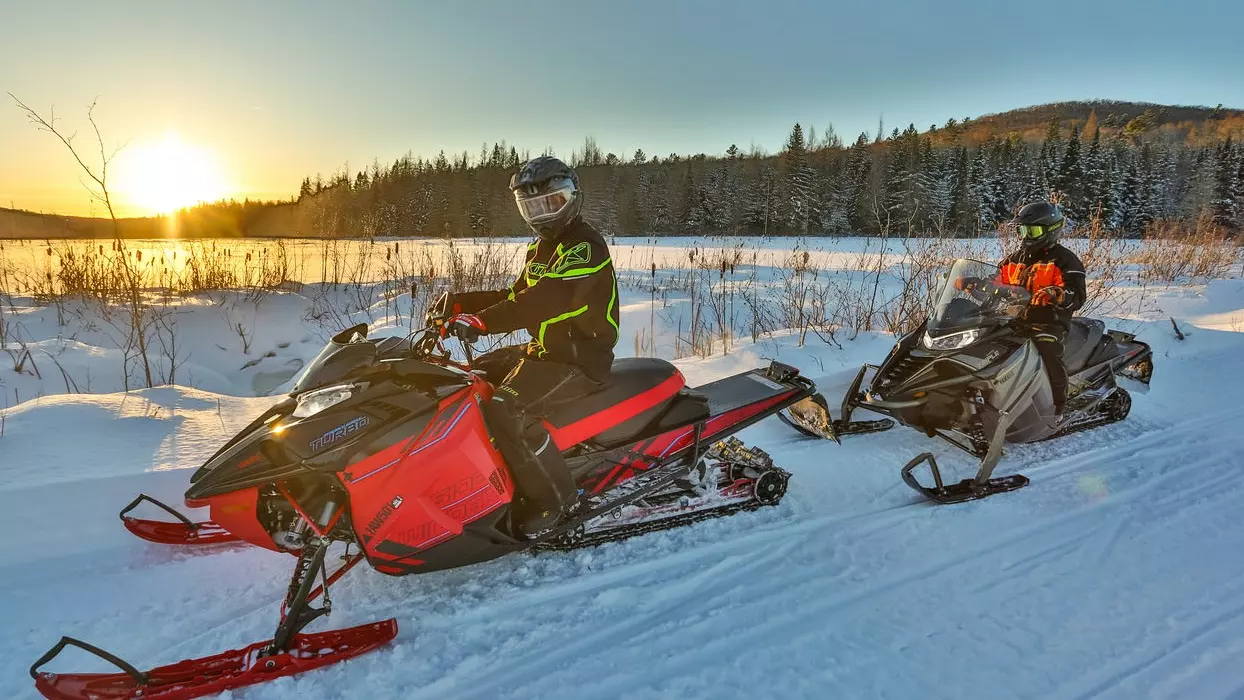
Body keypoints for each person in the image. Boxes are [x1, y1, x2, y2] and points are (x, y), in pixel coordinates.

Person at [437, 156, 620, 537]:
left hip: (580, 358)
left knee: (507, 409)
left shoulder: (585, 246)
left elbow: (548, 299)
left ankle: (553, 502)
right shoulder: (540, 249)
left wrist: (483, 322)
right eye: (533, 206)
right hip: (547, 351)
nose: (543, 213)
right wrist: (461, 303)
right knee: (472, 381)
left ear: (571, 198)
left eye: (551, 202)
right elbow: (516, 295)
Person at [996, 201, 1086, 418]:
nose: (1026, 236)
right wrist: (974, 283)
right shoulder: (1015, 258)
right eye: (1023, 230)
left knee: (1048, 351)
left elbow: (1078, 295)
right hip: (1015, 318)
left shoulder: (1065, 260)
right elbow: (997, 281)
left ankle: (1057, 407)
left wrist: (1058, 295)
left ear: (1051, 230)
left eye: (1032, 230)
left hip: (1049, 321)